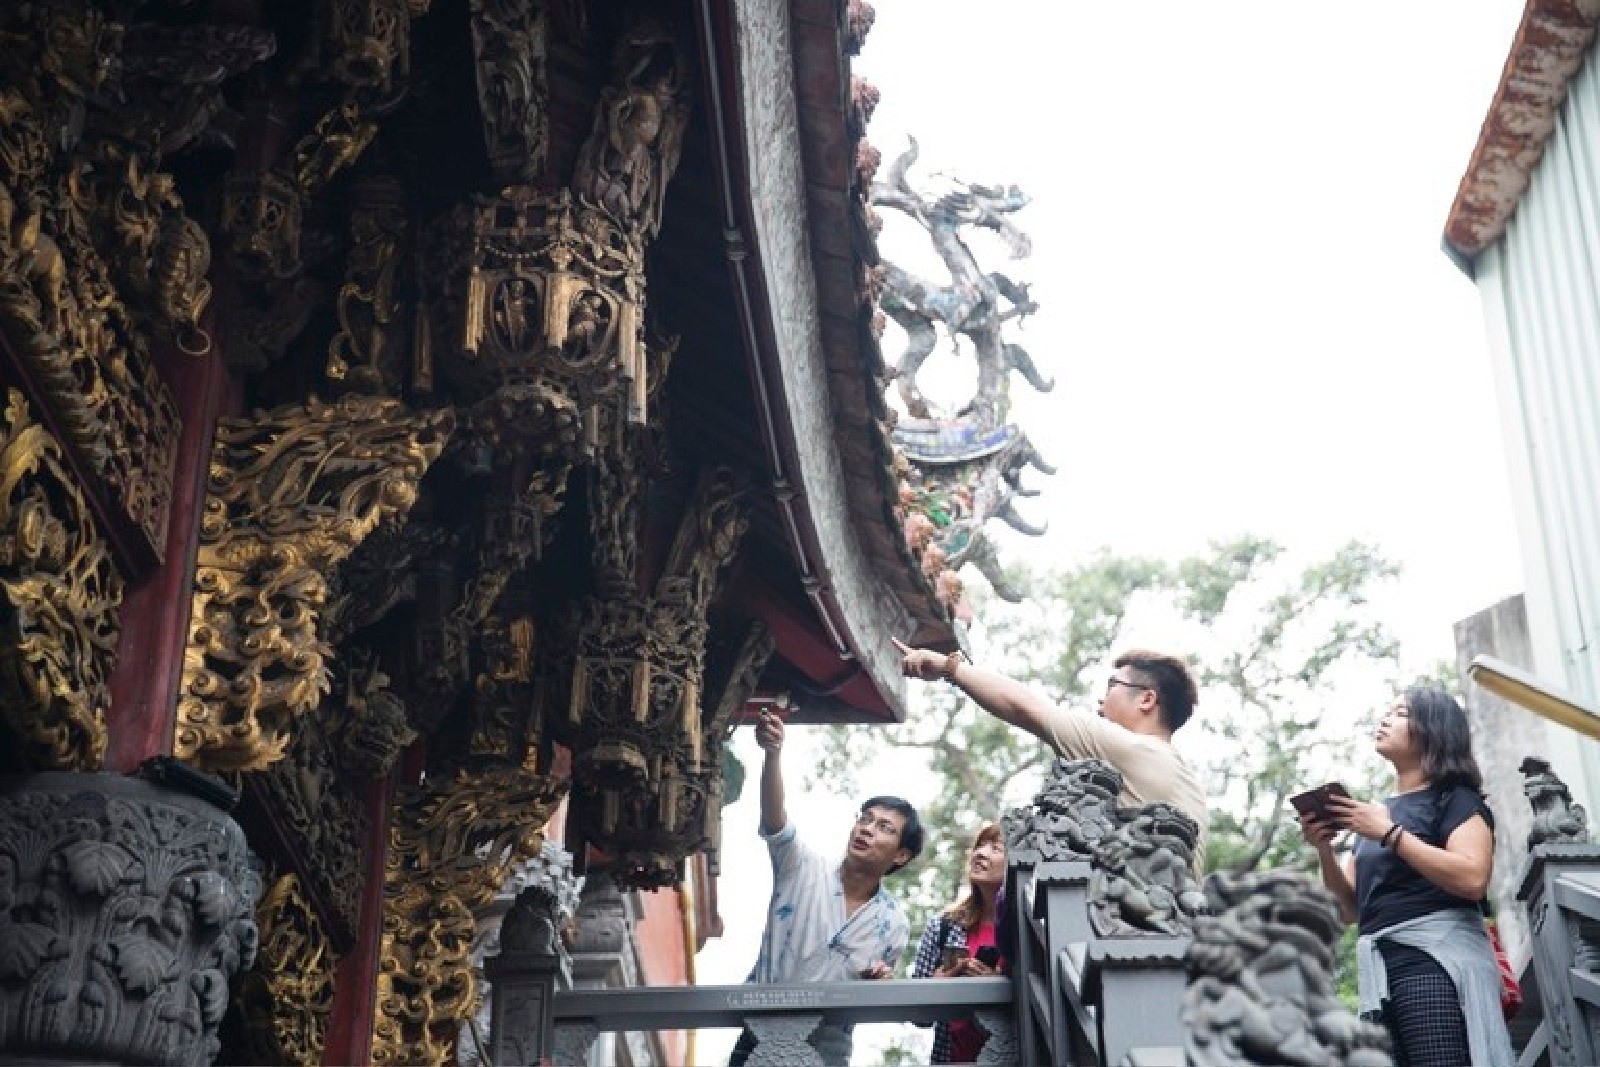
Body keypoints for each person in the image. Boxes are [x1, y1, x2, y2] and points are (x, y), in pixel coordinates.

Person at [1299, 686, 1515, 1067]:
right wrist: (1325, 851)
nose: (1384, 719)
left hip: (1436, 959)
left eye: (1399, 713)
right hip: (1383, 967)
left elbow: (1471, 878)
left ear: (1434, 730)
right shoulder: (1372, 815)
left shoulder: (1455, 799)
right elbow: (1348, 910)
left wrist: (1389, 834)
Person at [894, 640, 1207, 859]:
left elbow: (1024, 708)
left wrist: (948, 667)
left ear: (1147, 700)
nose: (1100, 703)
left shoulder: (1130, 748)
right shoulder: (1188, 782)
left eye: (1112, 687)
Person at [730, 709, 920, 1066]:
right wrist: (773, 755)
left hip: (828, 1047)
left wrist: (880, 983)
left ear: (901, 855)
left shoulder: (894, 923)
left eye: (884, 828)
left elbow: (869, 997)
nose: (866, 829)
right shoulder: (801, 867)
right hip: (760, 1031)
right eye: (864, 819)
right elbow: (776, 821)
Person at [911, 822, 1005, 1065]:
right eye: (979, 846)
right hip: (951, 1059)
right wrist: (938, 986)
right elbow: (918, 1018)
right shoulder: (942, 927)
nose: (980, 853)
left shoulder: (1028, 931)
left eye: (996, 848)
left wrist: (997, 984)